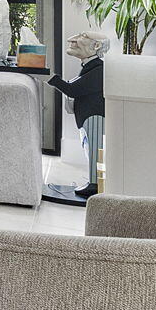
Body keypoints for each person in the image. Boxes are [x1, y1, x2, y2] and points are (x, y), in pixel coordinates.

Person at [46, 30, 111, 202]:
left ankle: (94, 184)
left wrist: (50, 77)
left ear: (96, 46)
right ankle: (94, 182)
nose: (73, 40)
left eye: (83, 37)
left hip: (94, 117)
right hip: (87, 118)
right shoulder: (91, 67)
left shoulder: (99, 70)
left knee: (95, 151)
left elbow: (73, 89)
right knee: (90, 149)